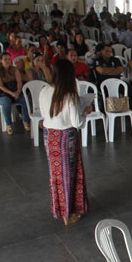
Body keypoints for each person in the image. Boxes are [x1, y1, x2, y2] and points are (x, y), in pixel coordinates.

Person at [39, 59, 91, 226]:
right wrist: (85, 111)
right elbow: (77, 123)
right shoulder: (69, 96)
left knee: (56, 175)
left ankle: (59, 209)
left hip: (50, 136)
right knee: (69, 175)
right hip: (66, 137)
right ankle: (68, 213)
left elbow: (45, 114)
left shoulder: (44, 91)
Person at [0, 53, 30, 135]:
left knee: (24, 99)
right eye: (5, 59)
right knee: (6, 101)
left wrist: (18, 91)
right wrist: (12, 93)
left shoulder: (14, 69)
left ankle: (25, 121)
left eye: (9, 59)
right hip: (1, 93)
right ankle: (9, 124)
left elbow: (19, 82)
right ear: (1, 61)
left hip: (14, 91)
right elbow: (0, 86)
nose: (8, 61)